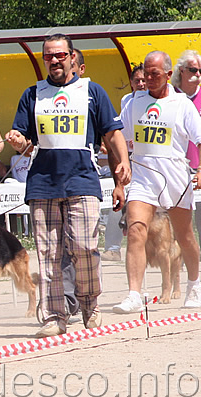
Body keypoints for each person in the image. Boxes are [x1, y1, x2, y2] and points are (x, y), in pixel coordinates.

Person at [5, 33, 131, 338]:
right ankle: (54, 315)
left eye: (60, 55)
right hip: (43, 184)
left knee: (84, 248)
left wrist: (122, 164)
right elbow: (23, 141)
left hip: (82, 181)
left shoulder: (92, 92)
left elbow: (112, 134)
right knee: (48, 254)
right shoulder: (33, 94)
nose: (55, 61)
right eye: (49, 56)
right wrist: (18, 140)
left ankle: (90, 304)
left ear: (72, 57)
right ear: (44, 59)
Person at [113, 51, 201, 314]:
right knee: (136, 229)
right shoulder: (133, 103)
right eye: (145, 74)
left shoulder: (182, 104)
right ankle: (134, 294)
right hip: (142, 176)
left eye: (155, 74)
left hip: (174, 177)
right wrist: (122, 167)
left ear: (168, 74)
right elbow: (117, 134)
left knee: (185, 237)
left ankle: (194, 284)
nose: (149, 79)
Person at [101, 63, 146, 262]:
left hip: (150, 160)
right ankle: (112, 247)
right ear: (131, 83)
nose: (141, 83)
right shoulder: (126, 101)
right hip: (129, 157)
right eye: (137, 80)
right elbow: (118, 132)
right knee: (119, 202)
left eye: (144, 80)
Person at [171, 50, 201, 246]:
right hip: (175, 169)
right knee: (178, 222)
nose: (198, 74)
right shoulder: (169, 96)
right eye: (193, 70)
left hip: (198, 168)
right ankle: (175, 263)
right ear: (181, 71)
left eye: (200, 70)